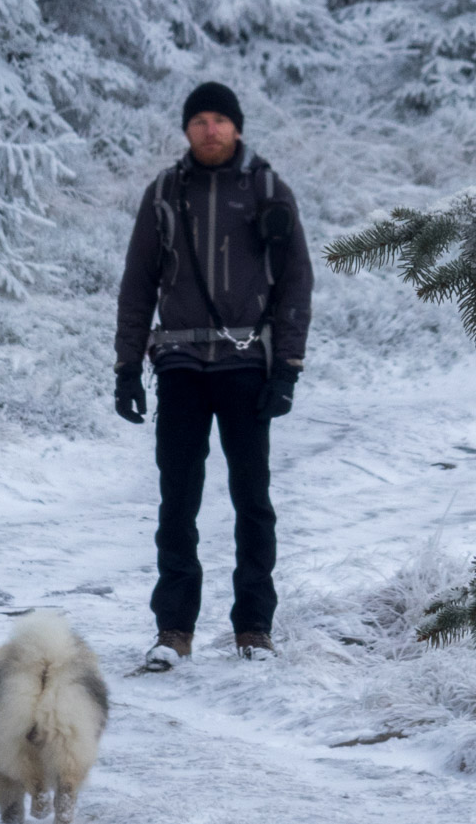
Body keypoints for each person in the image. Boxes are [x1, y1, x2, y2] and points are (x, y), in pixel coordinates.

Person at [114, 81, 313, 668]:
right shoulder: (165, 194)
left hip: (248, 364)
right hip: (177, 366)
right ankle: (173, 631)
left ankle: (254, 629)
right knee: (178, 501)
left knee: (253, 500)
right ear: (186, 130)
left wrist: (288, 370)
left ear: (238, 127)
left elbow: (295, 283)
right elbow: (136, 285)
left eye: (220, 120)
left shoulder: (269, 192)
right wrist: (128, 367)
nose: (210, 130)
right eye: (199, 120)